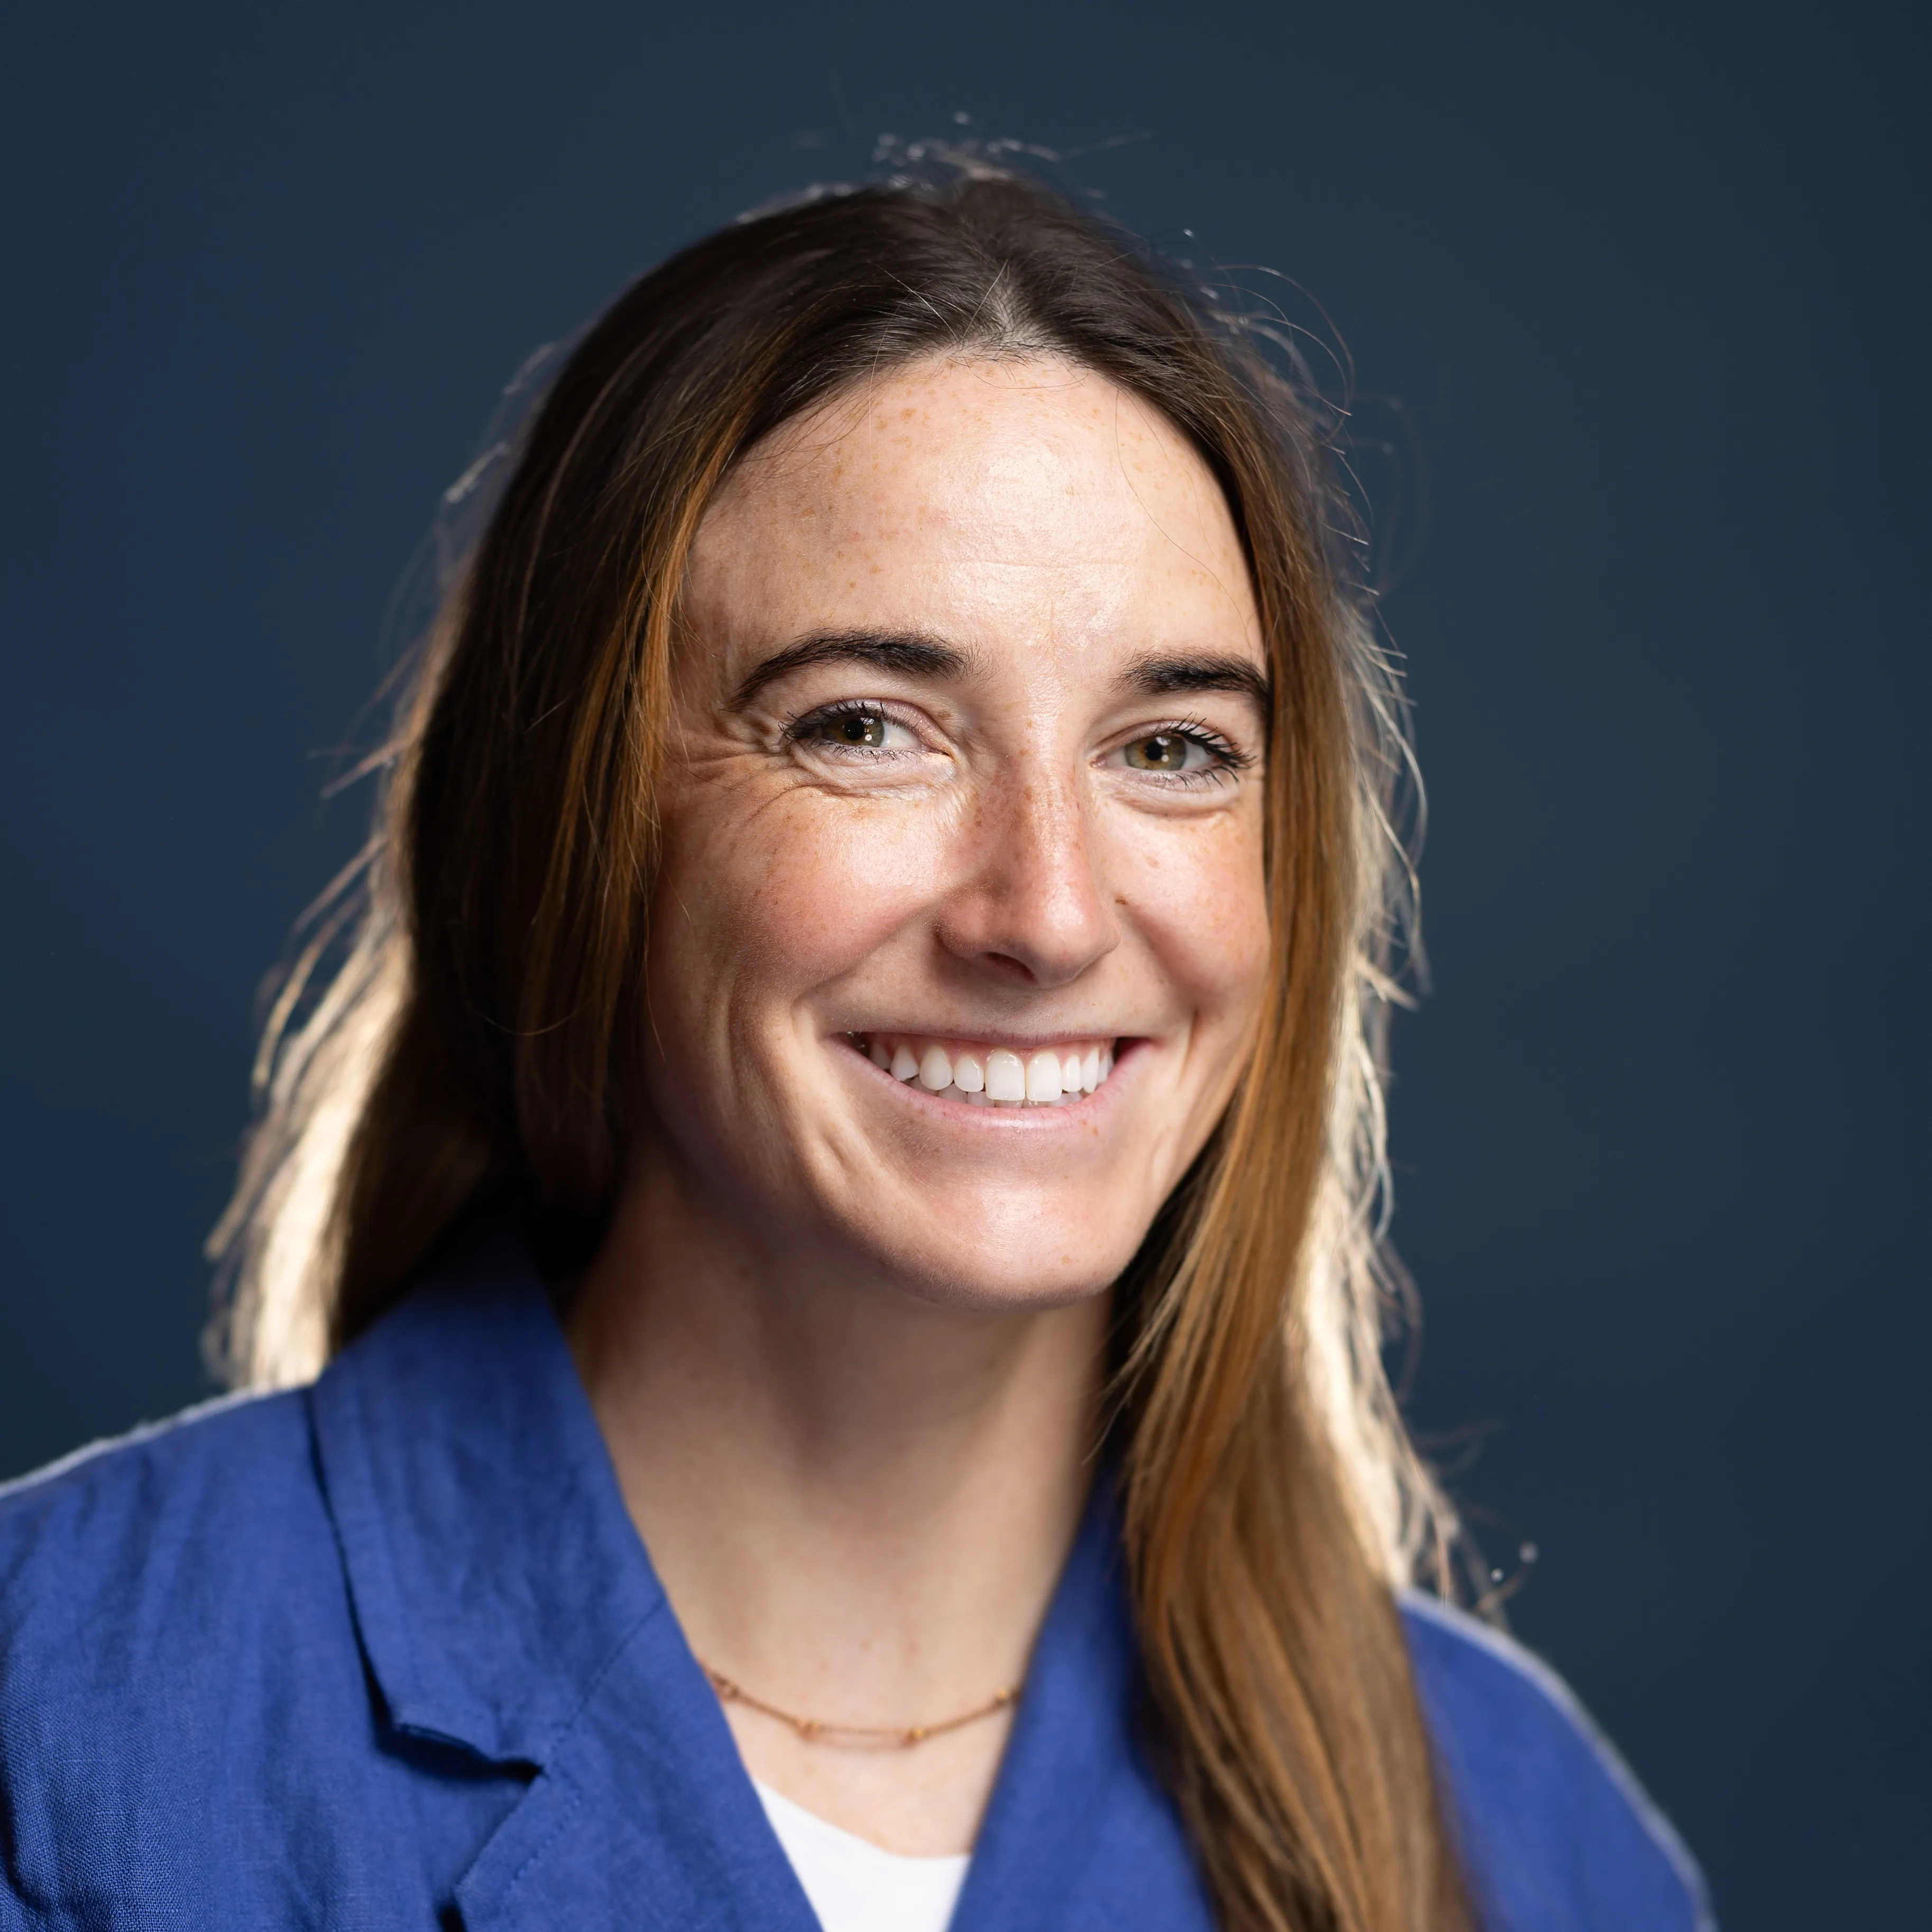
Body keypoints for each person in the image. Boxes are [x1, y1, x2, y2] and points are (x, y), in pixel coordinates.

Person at [0, 168, 1710, 1932]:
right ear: (574, 831)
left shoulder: (1531, 1846)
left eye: (1171, 747)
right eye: (865, 726)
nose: (1048, 914)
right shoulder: (58, 1733)